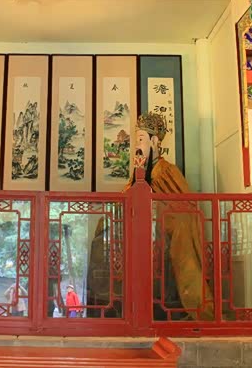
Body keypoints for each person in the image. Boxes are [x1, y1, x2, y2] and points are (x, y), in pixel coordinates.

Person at [87, 111, 212, 320]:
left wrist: (157, 211)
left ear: (154, 142)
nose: (137, 145)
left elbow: (185, 209)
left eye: (141, 139)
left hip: (161, 232)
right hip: (135, 232)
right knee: (104, 226)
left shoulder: (168, 171)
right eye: (136, 140)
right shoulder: (137, 174)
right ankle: (107, 300)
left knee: (179, 226)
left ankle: (186, 304)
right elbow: (123, 203)